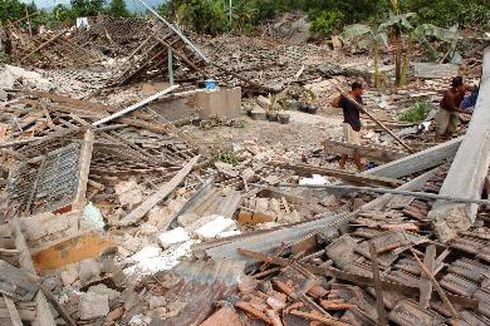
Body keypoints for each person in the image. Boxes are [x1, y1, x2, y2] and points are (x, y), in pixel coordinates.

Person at [330, 81, 364, 171]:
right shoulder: (346, 98)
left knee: (349, 146)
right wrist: (341, 95)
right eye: (361, 90)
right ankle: (360, 168)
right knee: (355, 148)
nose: (363, 92)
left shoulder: (358, 98)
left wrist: (360, 107)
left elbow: (363, 110)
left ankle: (342, 162)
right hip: (349, 124)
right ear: (356, 89)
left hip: (356, 125)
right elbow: (333, 104)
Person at [435, 76, 472, 142]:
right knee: (441, 127)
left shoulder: (464, 87)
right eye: (455, 87)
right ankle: (436, 141)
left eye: (458, 87)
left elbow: (474, 89)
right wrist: (466, 112)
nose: (457, 89)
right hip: (445, 109)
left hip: (456, 108)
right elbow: (452, 107)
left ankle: (447, 139)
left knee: (453, 126)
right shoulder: (449, 94)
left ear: (461, 85)